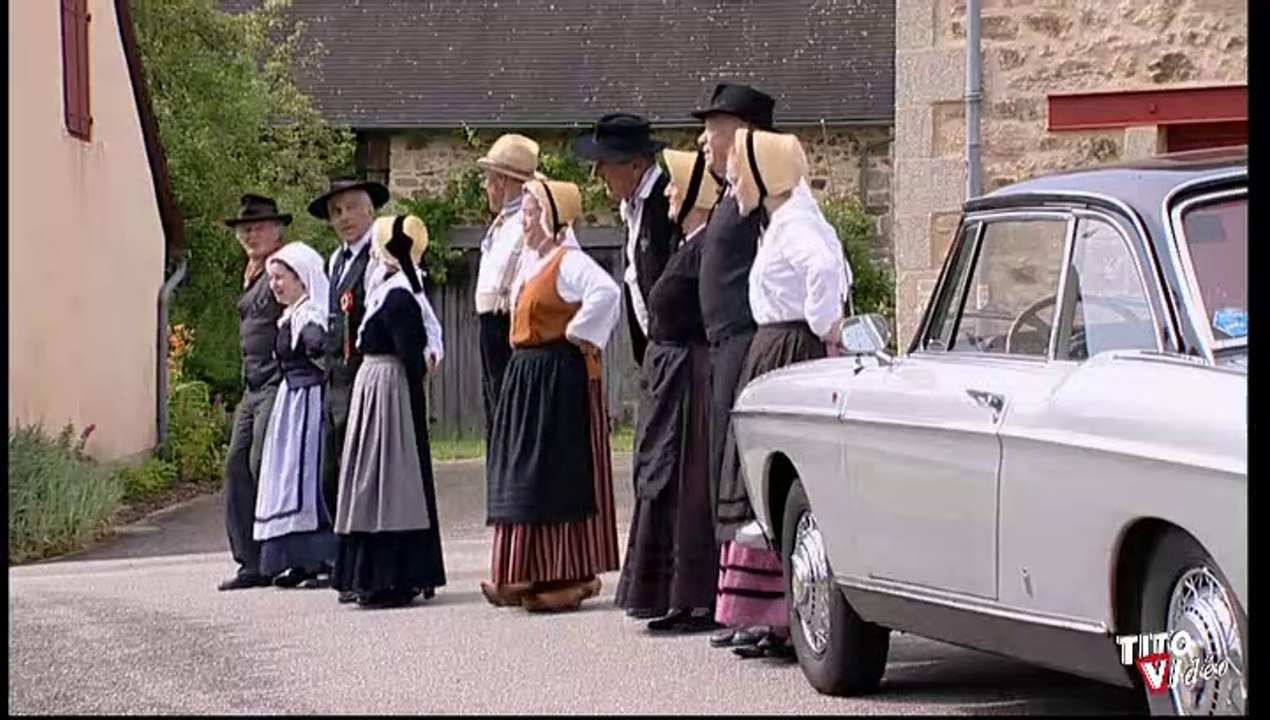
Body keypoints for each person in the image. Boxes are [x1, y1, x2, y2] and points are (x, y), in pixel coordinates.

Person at [716, 128, 852, 661]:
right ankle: (768, 616)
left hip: (789, 347)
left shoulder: (796, 223)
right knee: (762, 476)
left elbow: (822, 269)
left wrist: (824, 324)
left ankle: (780, 616)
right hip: (777, 345)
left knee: (778, 473)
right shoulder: (783, 221)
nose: (733, 188)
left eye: (738, 178)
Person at [481, 179, 623, 613]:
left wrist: (577, 332)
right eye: (524, 213)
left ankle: (570, 575)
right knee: (524, 471)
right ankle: (523, 570)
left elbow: (607, 292)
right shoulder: (532, 262)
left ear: (554, 217)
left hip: (557, 378)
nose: (524, 222)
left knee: (555, 473)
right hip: (528, 376)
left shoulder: (569, 261)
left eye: (531, 213)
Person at [615, 149, 723, 633]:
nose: (670, 192)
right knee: (665, 482)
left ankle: (695, 597)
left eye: (677, 185)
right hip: (671, 374)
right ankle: (674, 597)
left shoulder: (706, 248)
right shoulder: (687, 243)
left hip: (691, 376)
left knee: (687, 489)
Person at [689, 82, 780, 648]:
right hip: (723, 344)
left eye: (713, 129)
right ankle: (739, 602)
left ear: (744, 133)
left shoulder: (760, 199)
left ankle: (763, 608)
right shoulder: (731, 195)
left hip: (748, 343)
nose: (703, 141)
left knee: (746, 479)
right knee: (727, 476)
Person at [332, 214, 448, 609]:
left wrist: (422, 362)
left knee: (390, 481)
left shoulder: (397, 296)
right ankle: (373, 574)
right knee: (377, 479)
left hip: (388, 391)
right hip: (381, 388)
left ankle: (389, 576)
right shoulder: (390, 290)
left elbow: (411, 356)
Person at [308, 177, 390, 601]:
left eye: (351, 208)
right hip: (335, 380)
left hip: (364, 375)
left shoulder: (379, 256)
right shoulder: (335, 260)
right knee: (331, 476)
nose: (344, 218)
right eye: (336, 212)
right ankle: (347, 564)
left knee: (362, 478)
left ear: (369, 210)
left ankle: (366, 571)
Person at [252, 241, 338, 587]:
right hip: (291, 402)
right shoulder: (292, 314)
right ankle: (301, 561)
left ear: (301, 279)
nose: (274, 284)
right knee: (288, 479)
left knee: (305, 478)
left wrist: (318, 349)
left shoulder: (308, 314)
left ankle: (324, 559)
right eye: (272, 278)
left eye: (280, 277)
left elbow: (320, 344)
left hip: (307, 402)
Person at [218, 194, 290, 591]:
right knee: (236, 466)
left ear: (276, 230)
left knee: (264, 462)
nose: (251, 235)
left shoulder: (284, 268)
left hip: (277, 381)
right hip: (252, 385)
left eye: (259, 228)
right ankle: (251, 562)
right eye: (245, 230)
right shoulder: (250, 271)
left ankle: (282, 556)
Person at [572, 114, 674, 367]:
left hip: (673, 351)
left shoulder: (666, 204)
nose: (596, 173)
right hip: (655, 353)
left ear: (635, 166)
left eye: (604, 162)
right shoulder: (633, 208)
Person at [474, 134, 540, 442]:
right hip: (490, 325)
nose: (485, 186)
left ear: (501, 180)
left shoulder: (526, 223)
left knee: (509, 412)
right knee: (495, 411)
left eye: (488, 179)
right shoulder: (503, 222)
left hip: (508, 324)